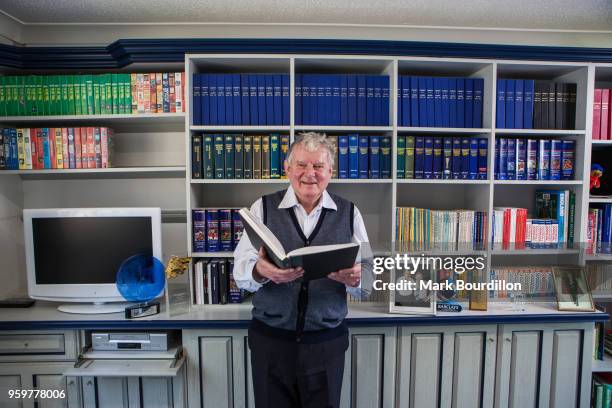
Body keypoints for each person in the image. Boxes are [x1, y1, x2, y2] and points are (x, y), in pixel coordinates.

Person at [233, 132, 373, 408]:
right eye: (301, 165)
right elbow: (239, 271)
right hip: (271, 342)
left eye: (319, 166)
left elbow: (369, 276)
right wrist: (261, 271)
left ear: (330, 172)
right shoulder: (262, 208)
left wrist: (357, 277)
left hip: (326, 345)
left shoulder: (350, 213)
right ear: (287, 169)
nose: (310, 173)